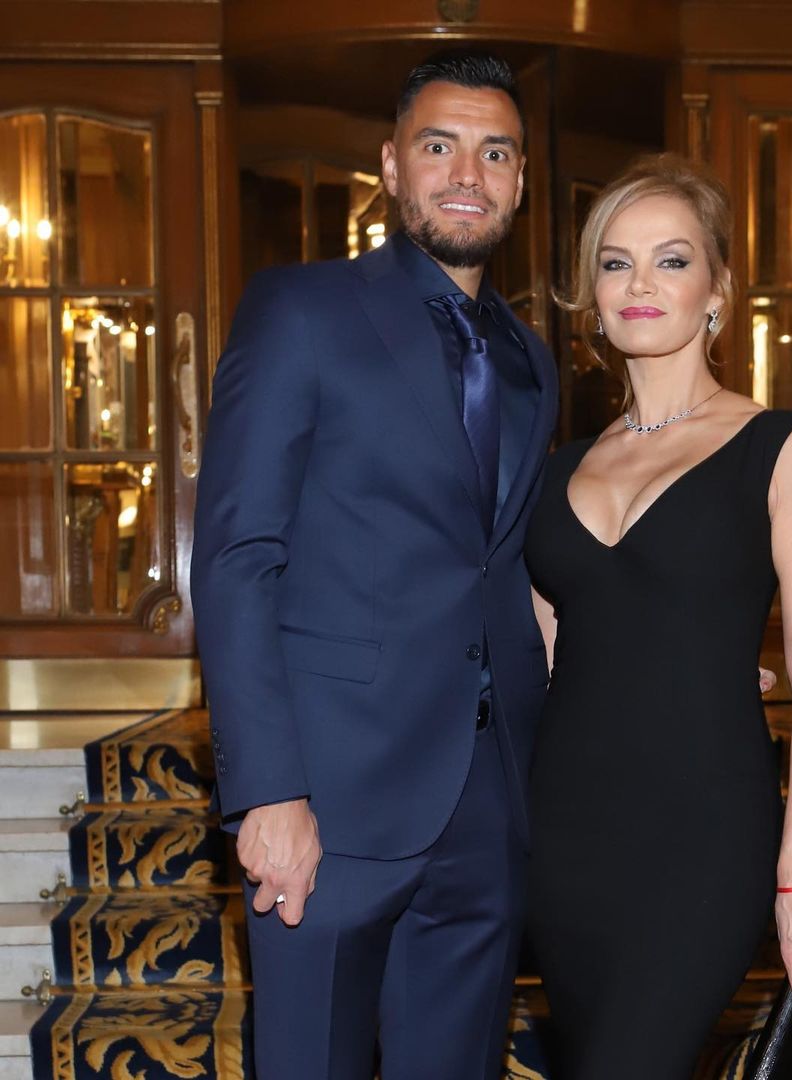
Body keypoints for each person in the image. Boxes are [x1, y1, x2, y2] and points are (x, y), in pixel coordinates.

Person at [190, 53, 559, 1080]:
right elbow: (237, 556)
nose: (468, 174)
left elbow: (507, 569)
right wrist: (269, 792)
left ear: (521, 182)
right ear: (392, 166)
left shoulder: (531, 361)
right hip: (328, 803)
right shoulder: (302, 310)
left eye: (496, 153)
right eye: (440, 146)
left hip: (487, 808)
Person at [524, 155, 792, 1079]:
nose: (640, 284)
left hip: (703, 833)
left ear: (717, 292)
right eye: (615, 263)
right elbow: (540, 661)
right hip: (564, 836)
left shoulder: (783, 449)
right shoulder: (556, 470)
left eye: (671, 260)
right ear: (592, 297)